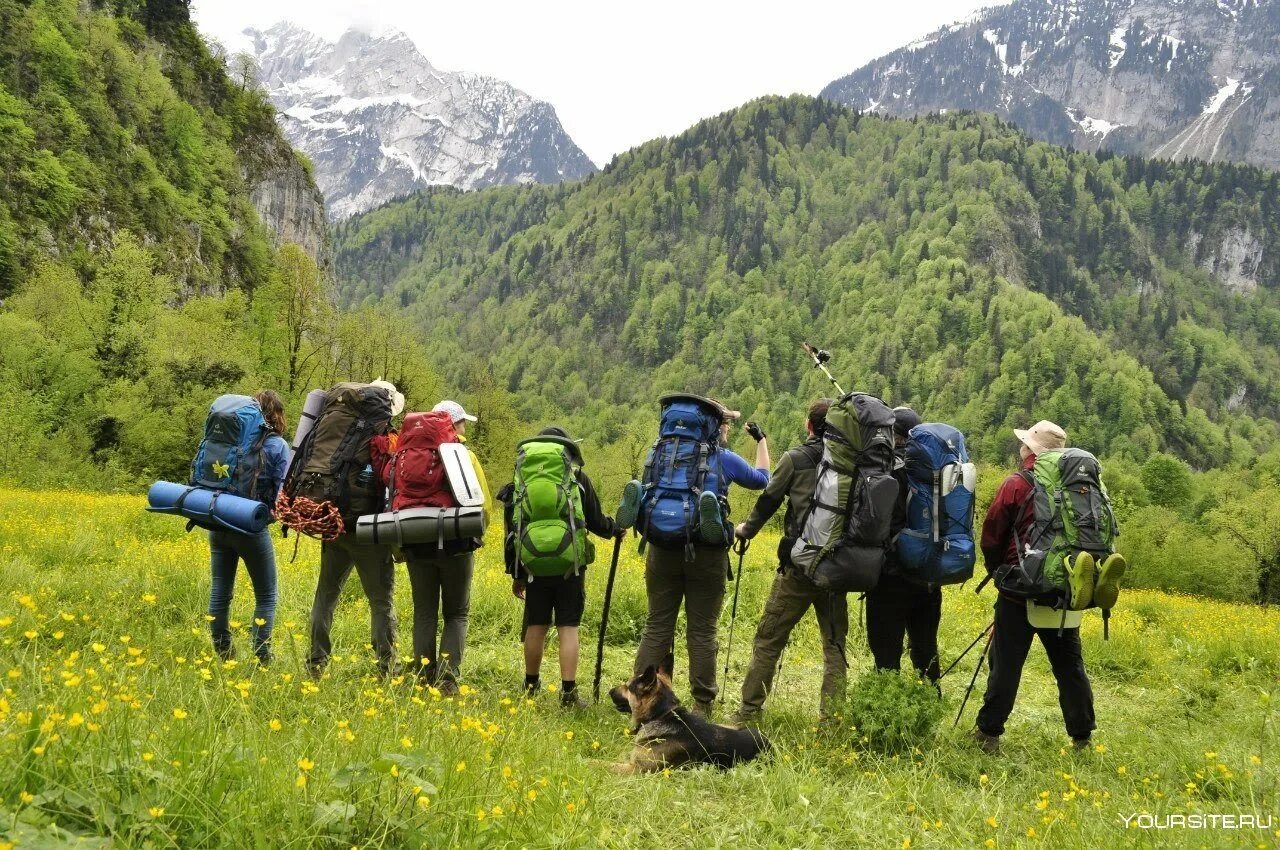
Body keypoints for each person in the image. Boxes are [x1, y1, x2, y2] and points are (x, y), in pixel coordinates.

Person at [629, 398, 771, 719]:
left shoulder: (660, 454)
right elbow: (763, 480)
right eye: (727, 423)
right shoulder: (724, 459)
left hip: (662, 546)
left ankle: (641, 698)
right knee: (702, 630)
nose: (729, 428)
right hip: (706, 554)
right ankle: (702, 704)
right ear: (715, 425)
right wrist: (762, 441)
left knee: (657, 625)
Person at [973, 420, 1095, 753]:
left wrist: (996, 570)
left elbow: (993, 532)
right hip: (1066, 588)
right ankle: (1082, 737)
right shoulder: (1079, 485)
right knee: (1070, 666)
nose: (1020, 447)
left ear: (1031, 450)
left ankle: (988, 735)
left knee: (1007, 663)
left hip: (1019, 590)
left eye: (1024, 443)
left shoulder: (1016, 483)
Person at [730, 399, 848, 726]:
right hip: (838, 568)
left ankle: (748, 712)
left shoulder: (795, 459)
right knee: (834, 646)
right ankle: (832, 721)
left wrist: (746, 530)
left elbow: (768, 499)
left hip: (799, 568)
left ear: (809, 426)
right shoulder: (852, 462)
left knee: (769, 638)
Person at [507, 426, 620, 708]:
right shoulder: (577, 477)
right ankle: (568, 693)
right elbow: (594, 520)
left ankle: (530, 685)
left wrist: (517, 572)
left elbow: (512, 528)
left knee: (536, 624)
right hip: (570, 565)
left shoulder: (522, 479)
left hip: (532, 563)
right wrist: (614, 529)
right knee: (568, 626)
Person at [306, 379, 404, 678]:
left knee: (326, 594)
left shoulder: (341, 427)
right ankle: (387, 667)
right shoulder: (384, 439)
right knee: (380, 600)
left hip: (333, 519)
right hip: (367, 527)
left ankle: (315, 663)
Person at [402, 399, 488, 695]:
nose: (465, 427)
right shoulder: (464, 454)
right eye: (462, 422)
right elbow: (483, 503)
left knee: (424, 611)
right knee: (456, 613)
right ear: (452, 424)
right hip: (456, 545)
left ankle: (423, 675)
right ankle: (448, 680)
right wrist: (479, 534)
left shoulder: (406, 452)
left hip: (415, 540)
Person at [208, 390, 290, 665]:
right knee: (266, 595)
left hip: (217, 518)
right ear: (277, 415)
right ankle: (262, 657)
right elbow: (282, 492)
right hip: (251, 526)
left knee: (221, 589)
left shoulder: (231, 441)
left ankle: (223, 652)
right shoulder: (278, 446)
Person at [865, 406, 942, 685]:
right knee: (926, 648)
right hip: (929, 575)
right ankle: (930, 705)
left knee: (886, 652)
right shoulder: (936, 470)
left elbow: (874, 521)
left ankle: (886, 710)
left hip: (891, 575)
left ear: (892, 435)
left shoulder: (887, 469)